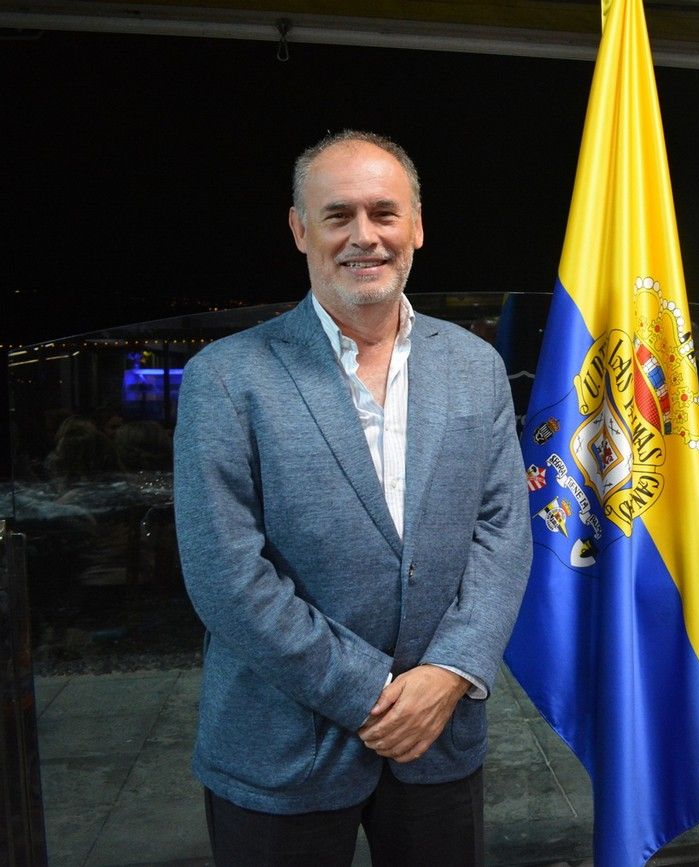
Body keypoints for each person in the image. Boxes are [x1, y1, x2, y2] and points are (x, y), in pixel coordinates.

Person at [173, 130, 531, 866]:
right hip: (281, 755)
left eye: (384, 213)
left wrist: (448, 674)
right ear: (301, 229)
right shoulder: (226, 377)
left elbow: (503, 536)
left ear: (417, 227)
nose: (363, 236)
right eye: (338, 216)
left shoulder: (476, 366)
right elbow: (225, 577)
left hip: (439, 742)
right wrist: (375, 692)